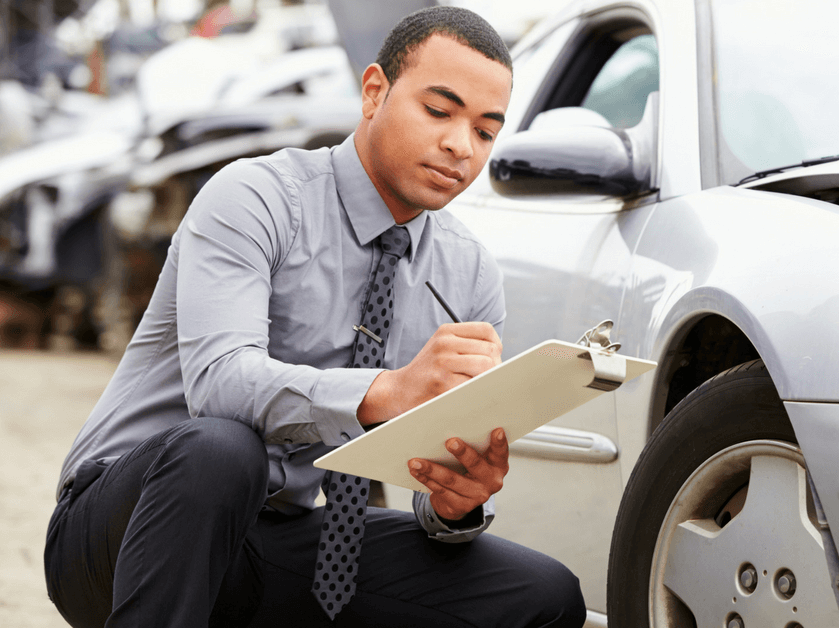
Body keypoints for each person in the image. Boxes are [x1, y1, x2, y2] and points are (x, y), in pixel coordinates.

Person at [43, 7, 587, 627]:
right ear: (375, 92)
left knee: (543, 594)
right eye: (439, 111)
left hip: (277, 542)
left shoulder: (468, 275)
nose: (461, 146)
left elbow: (427, 467)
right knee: (223, 452)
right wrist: (389, 391)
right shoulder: (255, 197)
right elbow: (220, 385)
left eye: (486, 132)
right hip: (123, 532)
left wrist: (454, 502)